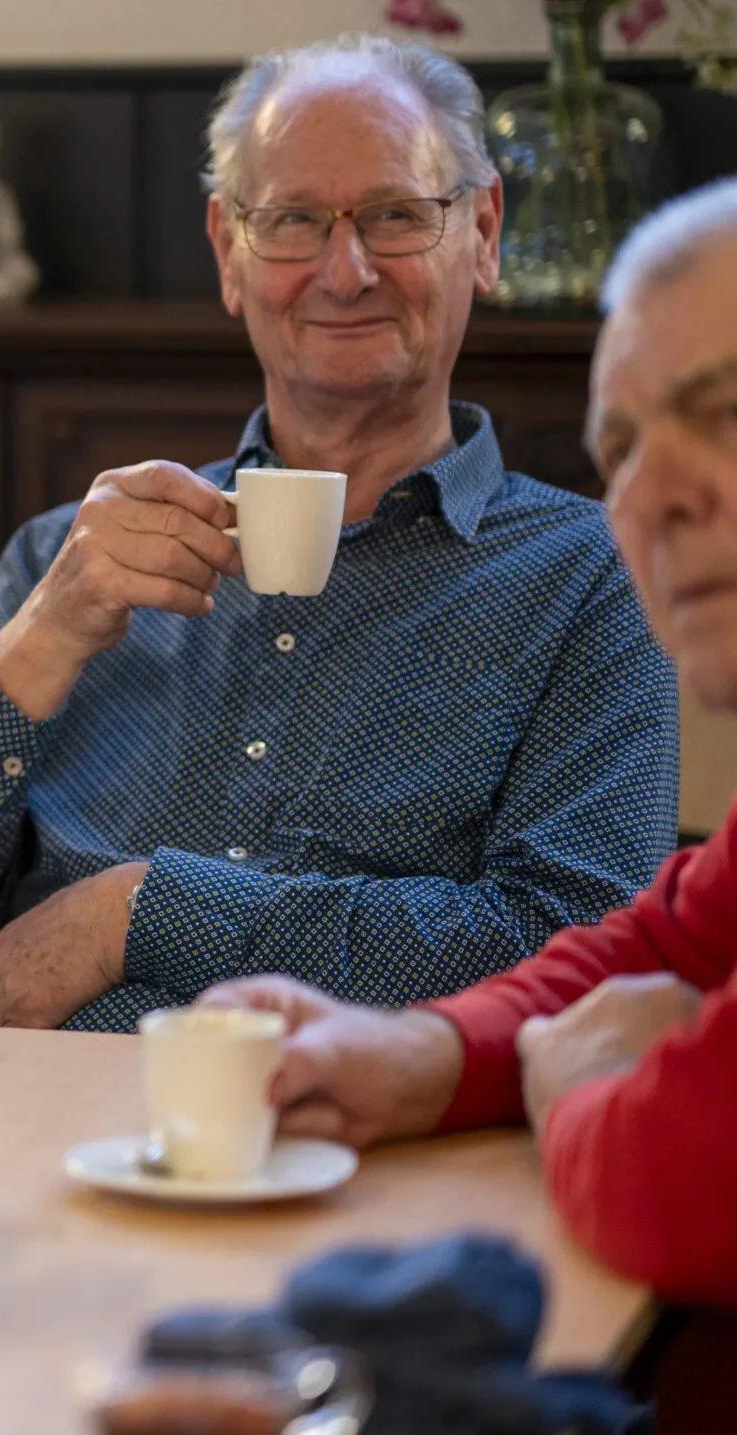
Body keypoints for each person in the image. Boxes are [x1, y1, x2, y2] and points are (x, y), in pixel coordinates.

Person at [0, 33, 677, 1032]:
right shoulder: (65, 562)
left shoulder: (591, 576)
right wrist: (33, 647)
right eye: (293, 222)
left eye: (394, 216)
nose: (343, 272)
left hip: (362, 1158)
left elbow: (573, 951)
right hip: (46, 1142)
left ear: (481, 233)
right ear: (229, 252)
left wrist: (137, 912)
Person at [203, 176, 737, 1316]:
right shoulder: (83, 550)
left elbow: (682, 1178)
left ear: (481, 233)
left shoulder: (567, 569)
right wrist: (426, 1055)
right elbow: (654, 942)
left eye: (724, 412)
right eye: (623, 445)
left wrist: (577, 1080)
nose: (649, 494)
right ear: (229, 251)